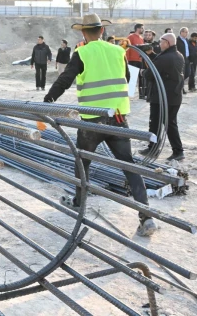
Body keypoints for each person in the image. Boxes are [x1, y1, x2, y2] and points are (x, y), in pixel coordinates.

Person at [43, 14, 157, 237]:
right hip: (117, 118)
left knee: (82, 162)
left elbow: (66, 78)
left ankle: (79, 202)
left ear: (84, 33)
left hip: (92, 121)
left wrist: (49, 100)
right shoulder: (118, 52)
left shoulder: (82, 53)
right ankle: (147, 218)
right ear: (102, 31)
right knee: (129, 165)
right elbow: (125, 76)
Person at [140, 34, 186, 161]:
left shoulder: (165, 58)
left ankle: (163, 149)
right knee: (169, 123)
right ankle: (174, 150)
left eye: (161, 42)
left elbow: (150, 74)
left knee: (156, 123)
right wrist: (151, 54)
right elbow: (162, 64)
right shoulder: (177, 55)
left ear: (167, 43)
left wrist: (142, 73)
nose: (160, 44)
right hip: (174, 96)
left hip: (162, 97)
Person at [127, 23, 145, 98]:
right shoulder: (131, 37)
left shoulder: (141, 38)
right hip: (132, 60)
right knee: (132, 77)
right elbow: (127, 48)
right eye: (142, 28)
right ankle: (130, 94)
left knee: (141, 77)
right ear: (138, 28)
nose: (143, 30)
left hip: (140, 60)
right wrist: (127, 59)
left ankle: (141, 94)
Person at [176, 27, 192, 94]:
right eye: (185, 32)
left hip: (187, 59)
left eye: (187, 32)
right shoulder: (177, 40)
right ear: (181, 32)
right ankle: (181, 89)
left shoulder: (187, 40)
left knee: (188, 73)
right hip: (180, 59)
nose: (186, 33)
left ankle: (179, 86)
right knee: (182, 74)